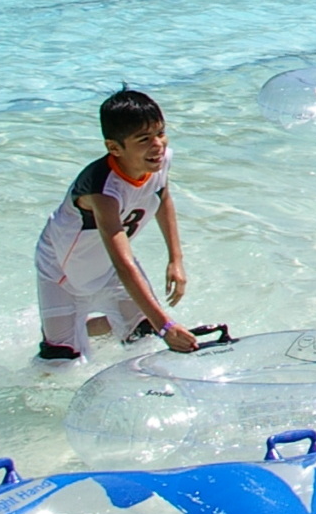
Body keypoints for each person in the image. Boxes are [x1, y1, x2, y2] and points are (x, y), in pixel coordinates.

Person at [33, 89, 200, 363]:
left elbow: (162, 196)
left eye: (160, 133)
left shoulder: (159, 160)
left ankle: (83, 328)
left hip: (110, 266)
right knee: (60, 365)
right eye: (144, 139)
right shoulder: (103, 190)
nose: (157, 145)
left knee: (144, 338)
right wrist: (167, 326)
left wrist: (176, 260)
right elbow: (124, 264)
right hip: (61, 271)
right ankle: (69, 330)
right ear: (114, 148)